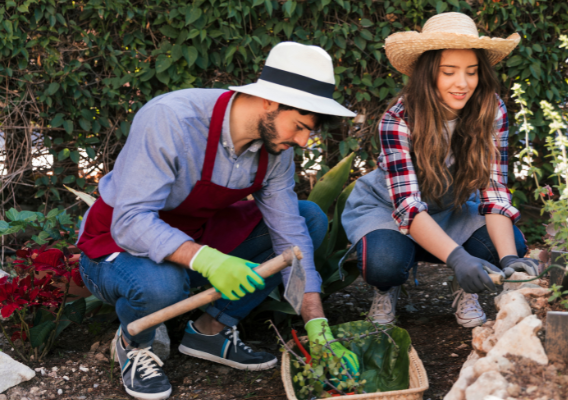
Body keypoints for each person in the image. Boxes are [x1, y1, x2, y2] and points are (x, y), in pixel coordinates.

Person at [76, 42, 360, 400]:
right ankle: (135, 344)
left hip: (193, 236)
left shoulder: (274, 149)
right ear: (270, 102)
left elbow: (291, 237)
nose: (303, 141)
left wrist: (317, 324)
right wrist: (209, 260)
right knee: (162, 286)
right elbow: (130, 221)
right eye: (300, 126)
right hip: (115, 247)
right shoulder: (172, 120)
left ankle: (210, 331)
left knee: (310, 219)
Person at [341, 13, 539, 329]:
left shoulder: (491, 109)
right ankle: (387, 288)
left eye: (471, 72)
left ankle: (465, 284)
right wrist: (458, 258)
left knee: (508, 243)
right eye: (449, 72)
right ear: (428, 74)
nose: (462, 83)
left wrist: (508, 261)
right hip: (389, 210)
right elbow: (407, 206)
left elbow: (494, 191)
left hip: (451, 209)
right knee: (383, 264)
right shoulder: (398, 119)